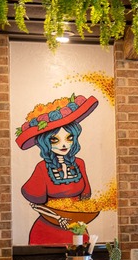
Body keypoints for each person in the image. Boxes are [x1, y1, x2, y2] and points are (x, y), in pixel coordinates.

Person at [15, 94, 99, 245]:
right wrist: (58, 218)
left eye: (69, 138)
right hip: (46, 231)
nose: (64, 145)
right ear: (45, 142)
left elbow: (85, 198)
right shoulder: (42, 168)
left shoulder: (79, 163)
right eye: (55, 140)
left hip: (77, 230)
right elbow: (35, 204)